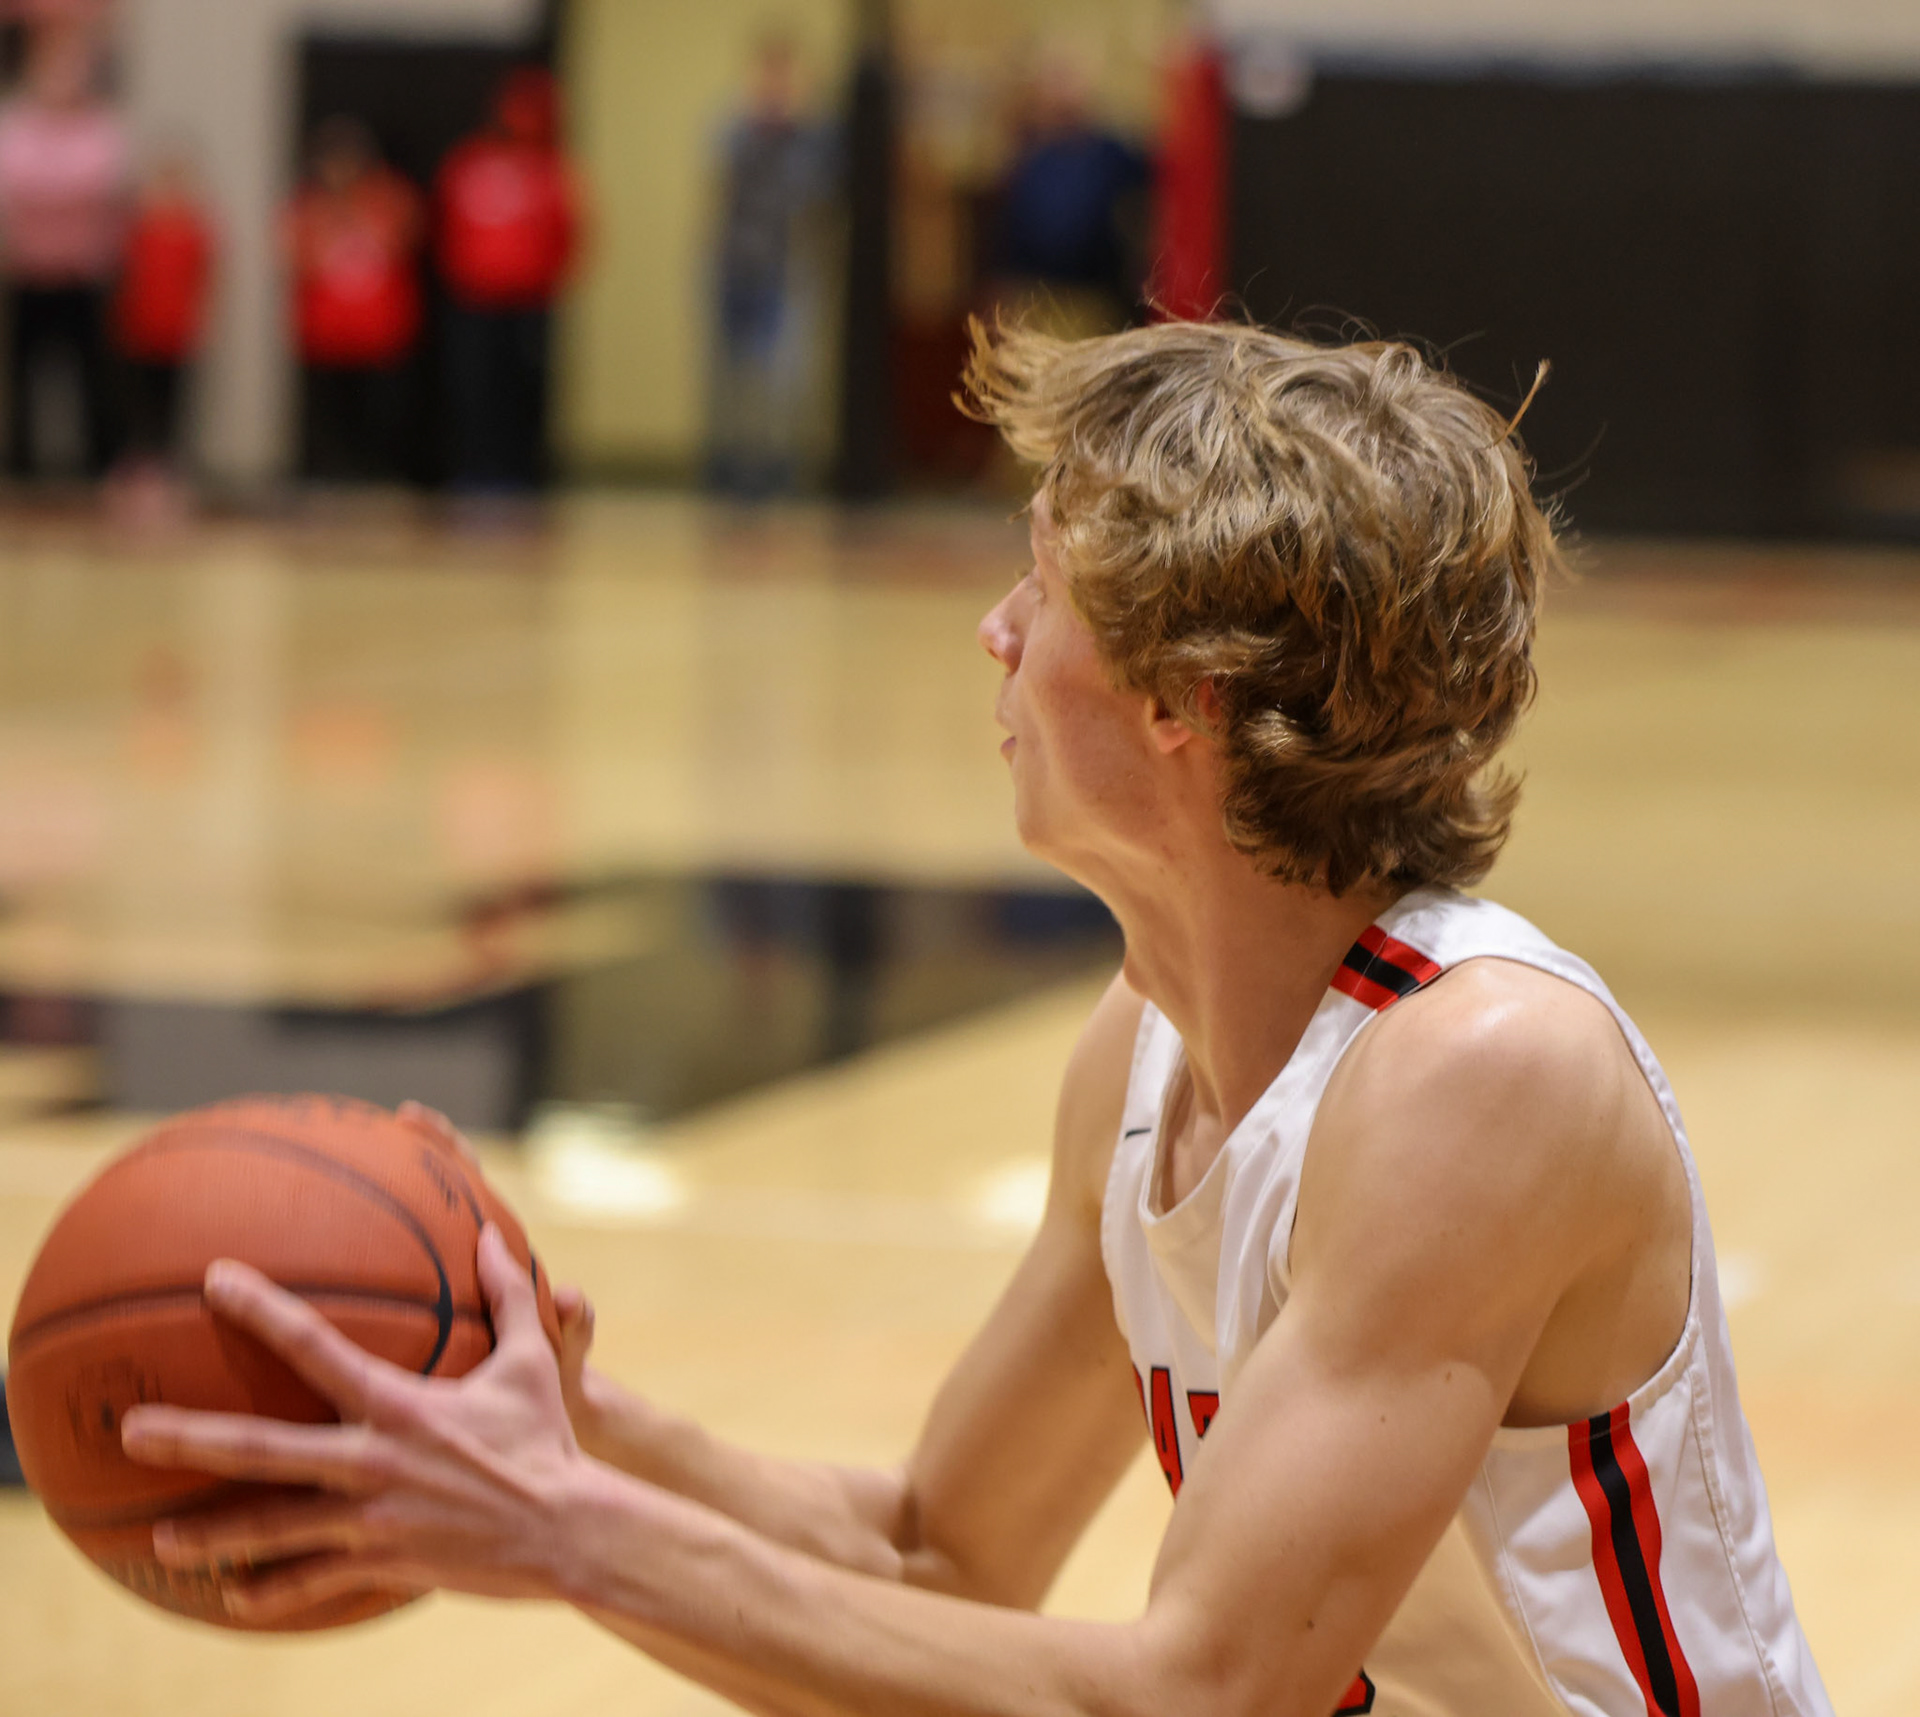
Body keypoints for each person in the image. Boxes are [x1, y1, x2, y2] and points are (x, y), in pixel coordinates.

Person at [119, 320, 1832, 1717]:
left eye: (1046, 587)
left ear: (1185, 696)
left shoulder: (1478, 1074)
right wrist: (570, 1428)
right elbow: (945, 1561)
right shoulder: (1147, 1051)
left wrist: (565, 1532)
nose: (995, 634)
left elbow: (1198, 1698)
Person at [434, 65, 581, 493]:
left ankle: (519, 478)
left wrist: (541, 283)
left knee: (521, 392)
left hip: (527, 303)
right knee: (474, 390)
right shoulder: (467, 161)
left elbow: (569, 234)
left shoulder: (549, 169)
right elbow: (445, 225)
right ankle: (475, 473)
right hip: (474, 301)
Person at [0, 23, 130, 482]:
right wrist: (58, 192)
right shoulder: (16, 123)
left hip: (83, 276)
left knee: (93, 378)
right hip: (30, 274)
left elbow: (98, 183)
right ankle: (23, 469)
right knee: (25, 378)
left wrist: (50, 190)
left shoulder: (100, 127)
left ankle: (98, 470)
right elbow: (18, 184)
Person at [706, 34, 834, 497]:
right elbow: (718, 191)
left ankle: (777, 475)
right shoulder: (733, 130)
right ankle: (728, 473)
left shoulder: (813, 139)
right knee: (731, 380)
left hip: (786, 276)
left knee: (783, 381)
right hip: (735, 270)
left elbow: (818, 199)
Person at [285, 116, 425, 484]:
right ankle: (331, 474)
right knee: (331, 411)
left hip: (379, 331)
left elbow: (408, 242)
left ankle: (377, 475)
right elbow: (294, 257)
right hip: (327, 332)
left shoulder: (391, 198)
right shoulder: (308, 208)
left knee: (380, 411)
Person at [111, 145, 214, 474]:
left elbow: (206, 278)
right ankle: (138, 459)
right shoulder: (138, 227)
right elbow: (124, 278)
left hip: (178, 329)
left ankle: (168, 461)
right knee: (138, 398)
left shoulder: (195, 228)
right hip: (140, 327)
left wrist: (202, 321)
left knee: (174, 399)